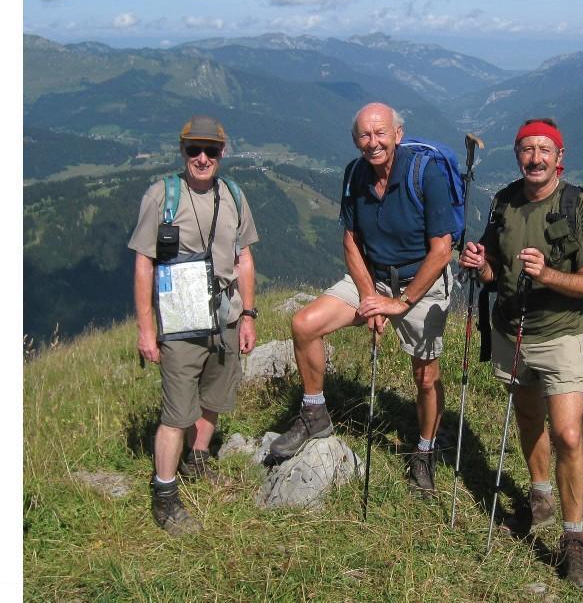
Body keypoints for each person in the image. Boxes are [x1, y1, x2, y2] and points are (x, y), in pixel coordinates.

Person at [269, 102, 456, 496]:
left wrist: (400, 303)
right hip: (371, 277)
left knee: (425, 377)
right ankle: (314, 412)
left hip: (420, 281)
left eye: (380, 134)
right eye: (365, 136)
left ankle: (425, 450)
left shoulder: (428, 173)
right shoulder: (355, 175)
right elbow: (350, 240)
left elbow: (442, 250)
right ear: (356, 141)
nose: (373, 143)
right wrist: (370, 297)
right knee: (304, 324)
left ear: (398, 134)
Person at [459, 118, 583, 589]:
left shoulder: (576, 205)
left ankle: (574, 540)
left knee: (568, 433)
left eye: (544, 150)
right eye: (527, 149)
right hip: (511, 329)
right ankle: (540, 495)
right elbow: (494, 271)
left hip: (560, 334)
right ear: (518, 155)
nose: (535, 158)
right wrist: (481, 265)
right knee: (526, 419)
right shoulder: (504, 201)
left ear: (560, 157)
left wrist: (547, 276)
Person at [129, 115, 259, 536]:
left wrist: (249, 315)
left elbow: (244, 260)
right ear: (182, 151)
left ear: (223, 153)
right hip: (180, 321)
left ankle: (197, 461)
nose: (202, 158)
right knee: (175, 413)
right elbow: (144, 262)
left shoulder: (234, 196)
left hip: (225, 315)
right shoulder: (161, 196)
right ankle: (165, 496)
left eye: (211, 151)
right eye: (193, 150)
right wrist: (146, 330)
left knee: (214, 398)